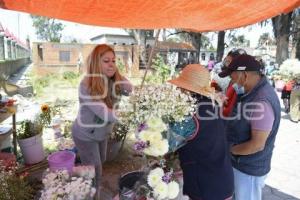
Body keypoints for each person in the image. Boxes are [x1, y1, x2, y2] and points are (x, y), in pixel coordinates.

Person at [71, 44, 132, 195]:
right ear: (96, 62)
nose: (111, 64)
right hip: (85, 134)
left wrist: (119, 76)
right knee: (95, 170)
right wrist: (131, 115)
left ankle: (82, 170)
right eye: (106, 61)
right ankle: (91, 193)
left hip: (101, 133)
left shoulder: (113, 79)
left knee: (102, 159)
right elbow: (105, 113)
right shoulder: (86, 85)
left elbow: (130, 89)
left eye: (113, 60)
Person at [168, 64, 234, 200]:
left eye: (180, 87)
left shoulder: (189, 117)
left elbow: (168, 144)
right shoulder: (212, 106)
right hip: (223, 180)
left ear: (187, 90)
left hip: (205, 188)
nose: (177, 90)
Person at [220, 54, 281, 200]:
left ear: (245, 75)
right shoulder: (251, 92)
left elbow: (257, 145)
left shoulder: (262, 101)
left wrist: (229, 150)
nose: (231, 81)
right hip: (241, 165)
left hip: (248, 169)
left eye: (233, 77)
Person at [218, 48, 247, 117]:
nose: (230, 76)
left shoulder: (241, 88)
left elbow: (229, 112)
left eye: (230, 72)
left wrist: (219, 104)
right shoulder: (235, 83)